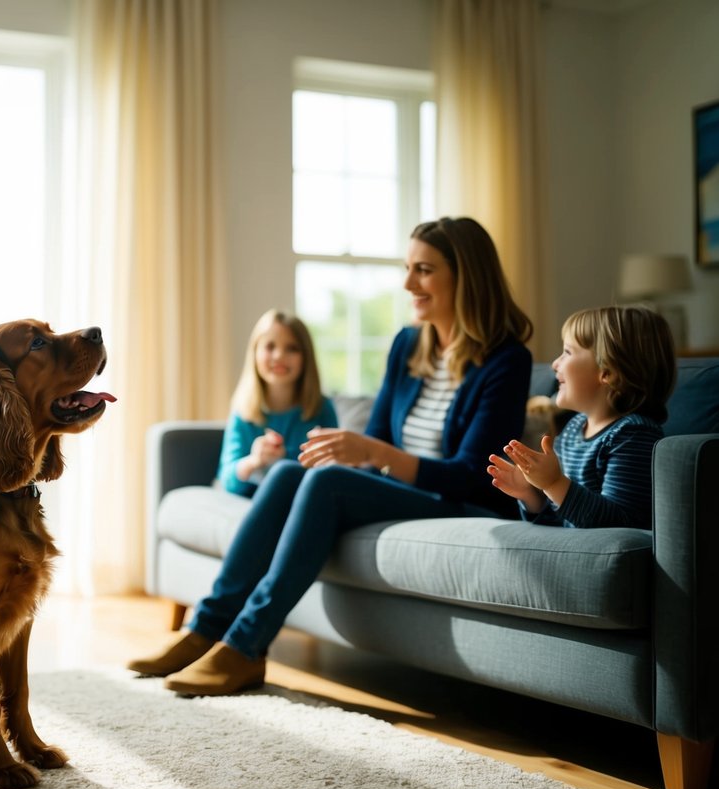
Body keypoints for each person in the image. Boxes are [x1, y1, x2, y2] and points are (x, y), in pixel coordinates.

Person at [127, 217, 533, 695]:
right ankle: (205, 629)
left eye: (423, 270)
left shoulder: (507, 360)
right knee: (286, 474)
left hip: (463, 501)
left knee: (325, 483)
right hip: (404, 490)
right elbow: (379, 435)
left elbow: (471, 475)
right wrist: (352, 453)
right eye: (408, 268)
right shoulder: (408, 345)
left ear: (465, 276)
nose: (407, 283)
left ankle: (246, 643)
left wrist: (370, 453)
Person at [487, 306, 675, 529]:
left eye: (567, 352)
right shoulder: (573, 429)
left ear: (608, 372)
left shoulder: (633, 434)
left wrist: (554, 483)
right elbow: (563, 521)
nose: (555, 364)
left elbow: (622, 524)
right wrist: (531, 495)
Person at [218, 309, 337, 498]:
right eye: (270, 346)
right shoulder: (243, 411)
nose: (279, 356)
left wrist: (284, 457)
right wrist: (254, 460)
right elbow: (227, 479)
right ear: (255, 353)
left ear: (305, 358)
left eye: (291, 348)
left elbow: (331, 471)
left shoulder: (321, 409)